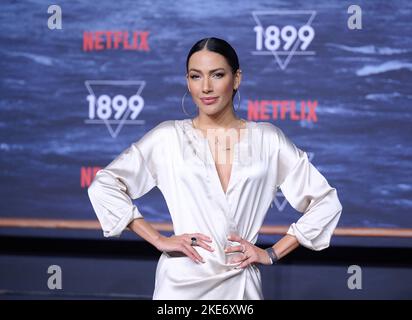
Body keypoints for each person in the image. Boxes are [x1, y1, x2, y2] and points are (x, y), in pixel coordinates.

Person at [87, 37, 343, 299]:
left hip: (240, 282)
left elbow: (326, 201)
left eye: (217, 75)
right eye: (196, 76)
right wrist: (158, 239)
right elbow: (105, 185)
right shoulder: (167, 137)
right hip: (180, 284)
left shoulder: (268, 139)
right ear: (188, 81)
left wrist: (271, 253)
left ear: (237, 78)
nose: (206, 87)